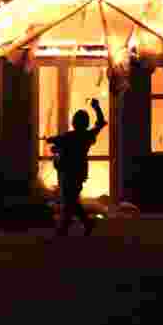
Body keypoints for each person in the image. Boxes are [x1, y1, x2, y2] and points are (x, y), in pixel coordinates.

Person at [46, 98, 107, 236]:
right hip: (78, 172)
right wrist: (96, 108)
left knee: (69, 200)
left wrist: (52, 142)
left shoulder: (70, 136)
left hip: (67, 171)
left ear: (74, 122)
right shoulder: (86, 136)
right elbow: (100, 123)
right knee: (71, 199)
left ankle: (65, 228)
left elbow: (58, 141)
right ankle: (85, 223)